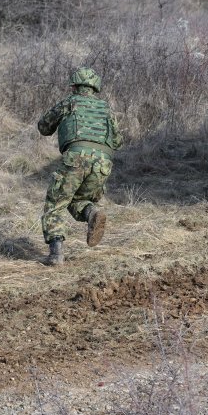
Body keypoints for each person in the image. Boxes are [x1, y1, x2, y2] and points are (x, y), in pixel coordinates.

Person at [38, 67, 124, 266]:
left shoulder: (69, 102)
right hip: (103, 164)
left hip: (76, 159)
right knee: (77, 199)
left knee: (56, 203)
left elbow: (43, 127)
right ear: (95, 87)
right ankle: (92, 213)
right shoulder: (106, 108)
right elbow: (118, 142)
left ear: (74, 86)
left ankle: (56, 255)